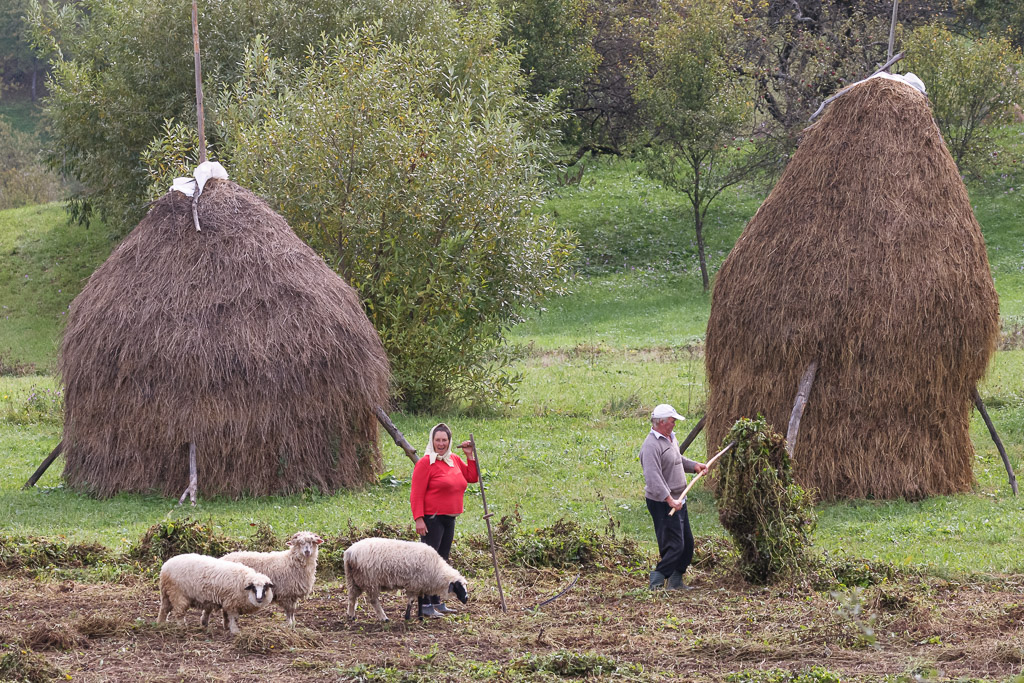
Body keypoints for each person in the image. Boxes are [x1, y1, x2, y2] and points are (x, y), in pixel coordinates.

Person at [410, 423, 478, 617]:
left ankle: (438, 601)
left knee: (442, 563)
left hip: (449, 518)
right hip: (432, 519)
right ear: (432, 441)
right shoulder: (425, 463)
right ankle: (425, 605)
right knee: (429, 565)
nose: (441, 444)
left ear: (449, 442)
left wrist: (469, 455)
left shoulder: (454, 459)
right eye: (438, 440)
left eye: (444, 440)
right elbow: (416, 494)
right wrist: (419, 519)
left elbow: (472, 477)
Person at [639, 404, 707, 590]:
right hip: (663, 503)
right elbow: (653, 478)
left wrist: (694, 466)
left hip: (679, 499)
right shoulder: (651, 446)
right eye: (672, 421)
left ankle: (676, 581)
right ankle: (658, 579)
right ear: (661, 422)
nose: (674, 424)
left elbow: (677, 459)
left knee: (687, 545)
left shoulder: (670, 438)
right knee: (674, 544)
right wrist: (669, 500)